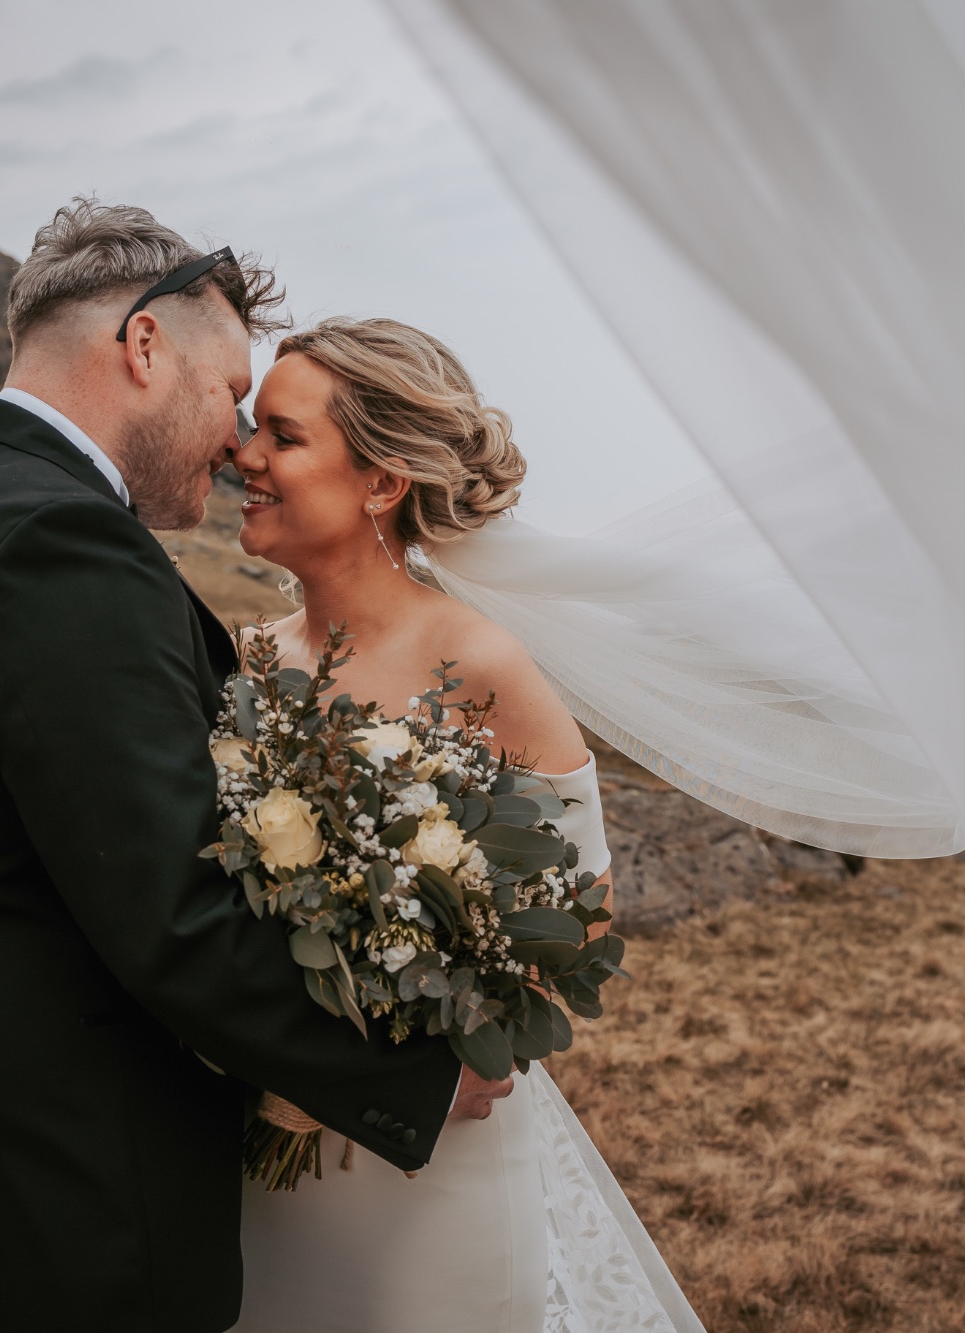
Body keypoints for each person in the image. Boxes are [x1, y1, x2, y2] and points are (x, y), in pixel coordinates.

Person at [0, 201, 509, 1333]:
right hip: (61, 1196)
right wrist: (416, 1074)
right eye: (231, 394)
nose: (235, 442)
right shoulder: (56, 542)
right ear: (142, 347)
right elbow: (170, 909)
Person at [226, 317, 702, 1332]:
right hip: (253, 1153)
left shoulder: (481, 663)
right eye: (248, 428)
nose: (243, 455)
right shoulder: (248, 661)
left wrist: (408, 1035)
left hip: (429, 1158)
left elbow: (575, 926)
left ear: (381, 482)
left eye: (282, 435)